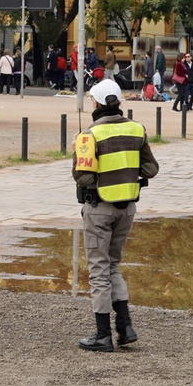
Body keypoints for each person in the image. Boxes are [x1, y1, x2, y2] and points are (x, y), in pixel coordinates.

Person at [71, 78, 159, 352]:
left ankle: (102, 335)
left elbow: (83, 177)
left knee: (98, 270)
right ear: (118, 102)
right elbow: (151, 169)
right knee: (113, 265)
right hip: (127, 208)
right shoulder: (137, 129)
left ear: (95, 103)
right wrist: (127, 173)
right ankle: (126, 327)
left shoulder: (88, 136)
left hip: (99, 209)